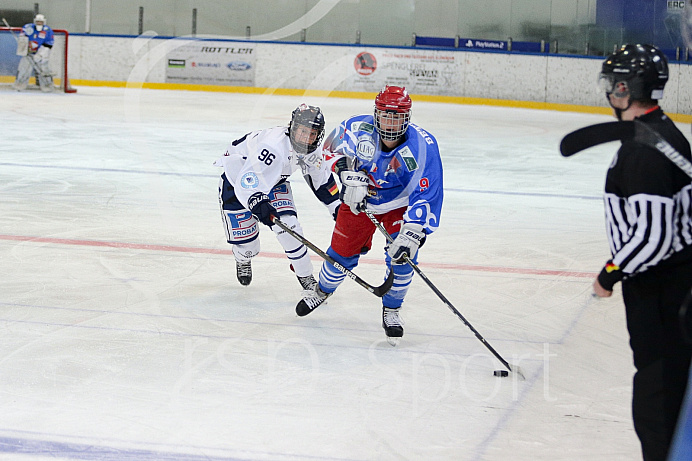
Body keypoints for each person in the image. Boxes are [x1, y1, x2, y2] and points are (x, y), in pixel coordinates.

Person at [593, 44, 692, 461]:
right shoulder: (662, 131)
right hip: (676, 288)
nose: (608, 94)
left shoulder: (644, 150)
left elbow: (652, 236)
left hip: (663, 293)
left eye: (612, 85)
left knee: (657, 405)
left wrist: (609, 274)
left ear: (626, 88)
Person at [296, 85, 444, 345]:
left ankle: (393, 309)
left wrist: (413, 232)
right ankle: (323, 290)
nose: (390, 123)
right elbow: (327, 150)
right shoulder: (356, 128)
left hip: (398, 205)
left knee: (402, 260)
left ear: (407, 119)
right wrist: (345, 172)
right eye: (385, 115)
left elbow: (427, 192)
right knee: (339, 254)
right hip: (358, 203)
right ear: (376, 114)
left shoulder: (423, 147)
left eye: (396, 117)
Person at [214, 104, 340, 291]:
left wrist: (338, 209)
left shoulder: (313, 150)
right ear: (293, 128)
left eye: (312, 133)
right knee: (249, 248)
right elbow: (247, 182)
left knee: (289, 226)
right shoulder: (272, 147)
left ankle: (305, 276)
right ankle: (242, 257)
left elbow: (321, 181)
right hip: (238, 182)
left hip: (274, 181)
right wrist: (258, 203)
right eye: (303, 131)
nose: (306, 138)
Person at [14, 14, 54, 92]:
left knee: (44, 69)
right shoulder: (27, 27)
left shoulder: (48, 30)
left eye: (41, 22)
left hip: (41, 55)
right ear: (35, 21)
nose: (39, 23)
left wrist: (40, 54)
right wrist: (24, 48)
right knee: (24, 68)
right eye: (38, 22)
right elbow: (22, 39)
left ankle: (47, 85)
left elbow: (49, 44)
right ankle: (20, 84)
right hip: (28, 53)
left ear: (44, 22)